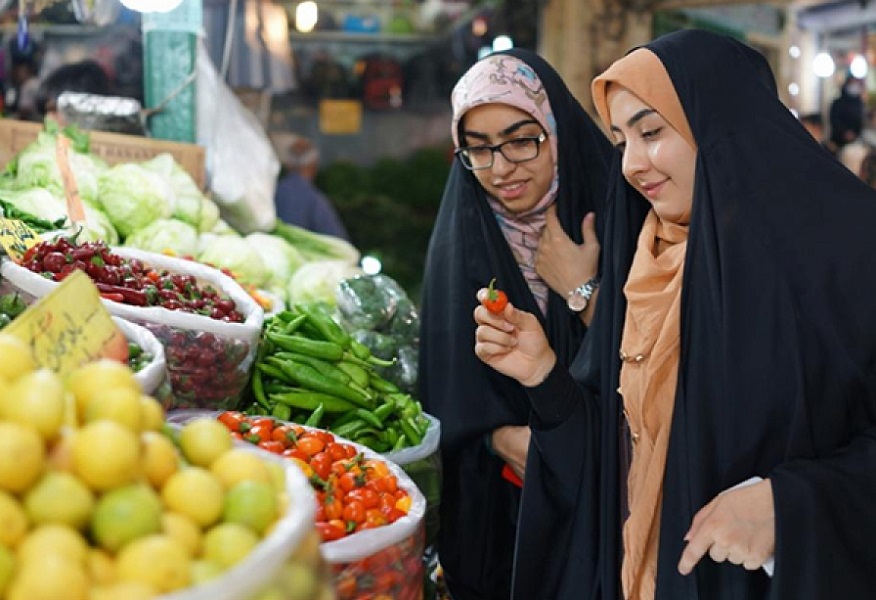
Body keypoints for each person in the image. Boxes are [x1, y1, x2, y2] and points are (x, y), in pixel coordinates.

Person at [473, 29, 876, 600]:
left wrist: (788, 506)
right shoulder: (643, 257)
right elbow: (615, 459)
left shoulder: (843, 254)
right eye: (619, 141)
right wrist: (543, 375)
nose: (633, 165)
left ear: (718, 119)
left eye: (651, 131)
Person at [418, 49, 612, 600]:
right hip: (499, 513)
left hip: (608, 495)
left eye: (522, 139)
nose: (501, 169)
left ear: (556, 128)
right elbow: (443, 375)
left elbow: (656, 357)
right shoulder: (465, 232)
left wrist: (579, 289)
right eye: (478, 150)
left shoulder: (618, 214)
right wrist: (494, 435)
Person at [271, 132, 350, 240]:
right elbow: (339, 241)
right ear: (314, 164)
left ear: (289, 164)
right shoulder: (313, 199)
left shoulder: (272, 191)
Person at [829, 74, 865, 152]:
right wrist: (844, 132)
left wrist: (855, 133)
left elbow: (860, 119)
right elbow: (834, 120)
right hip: (838, 141)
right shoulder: (837, 103)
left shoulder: (859, 103)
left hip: (855, 141)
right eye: (852, 83)